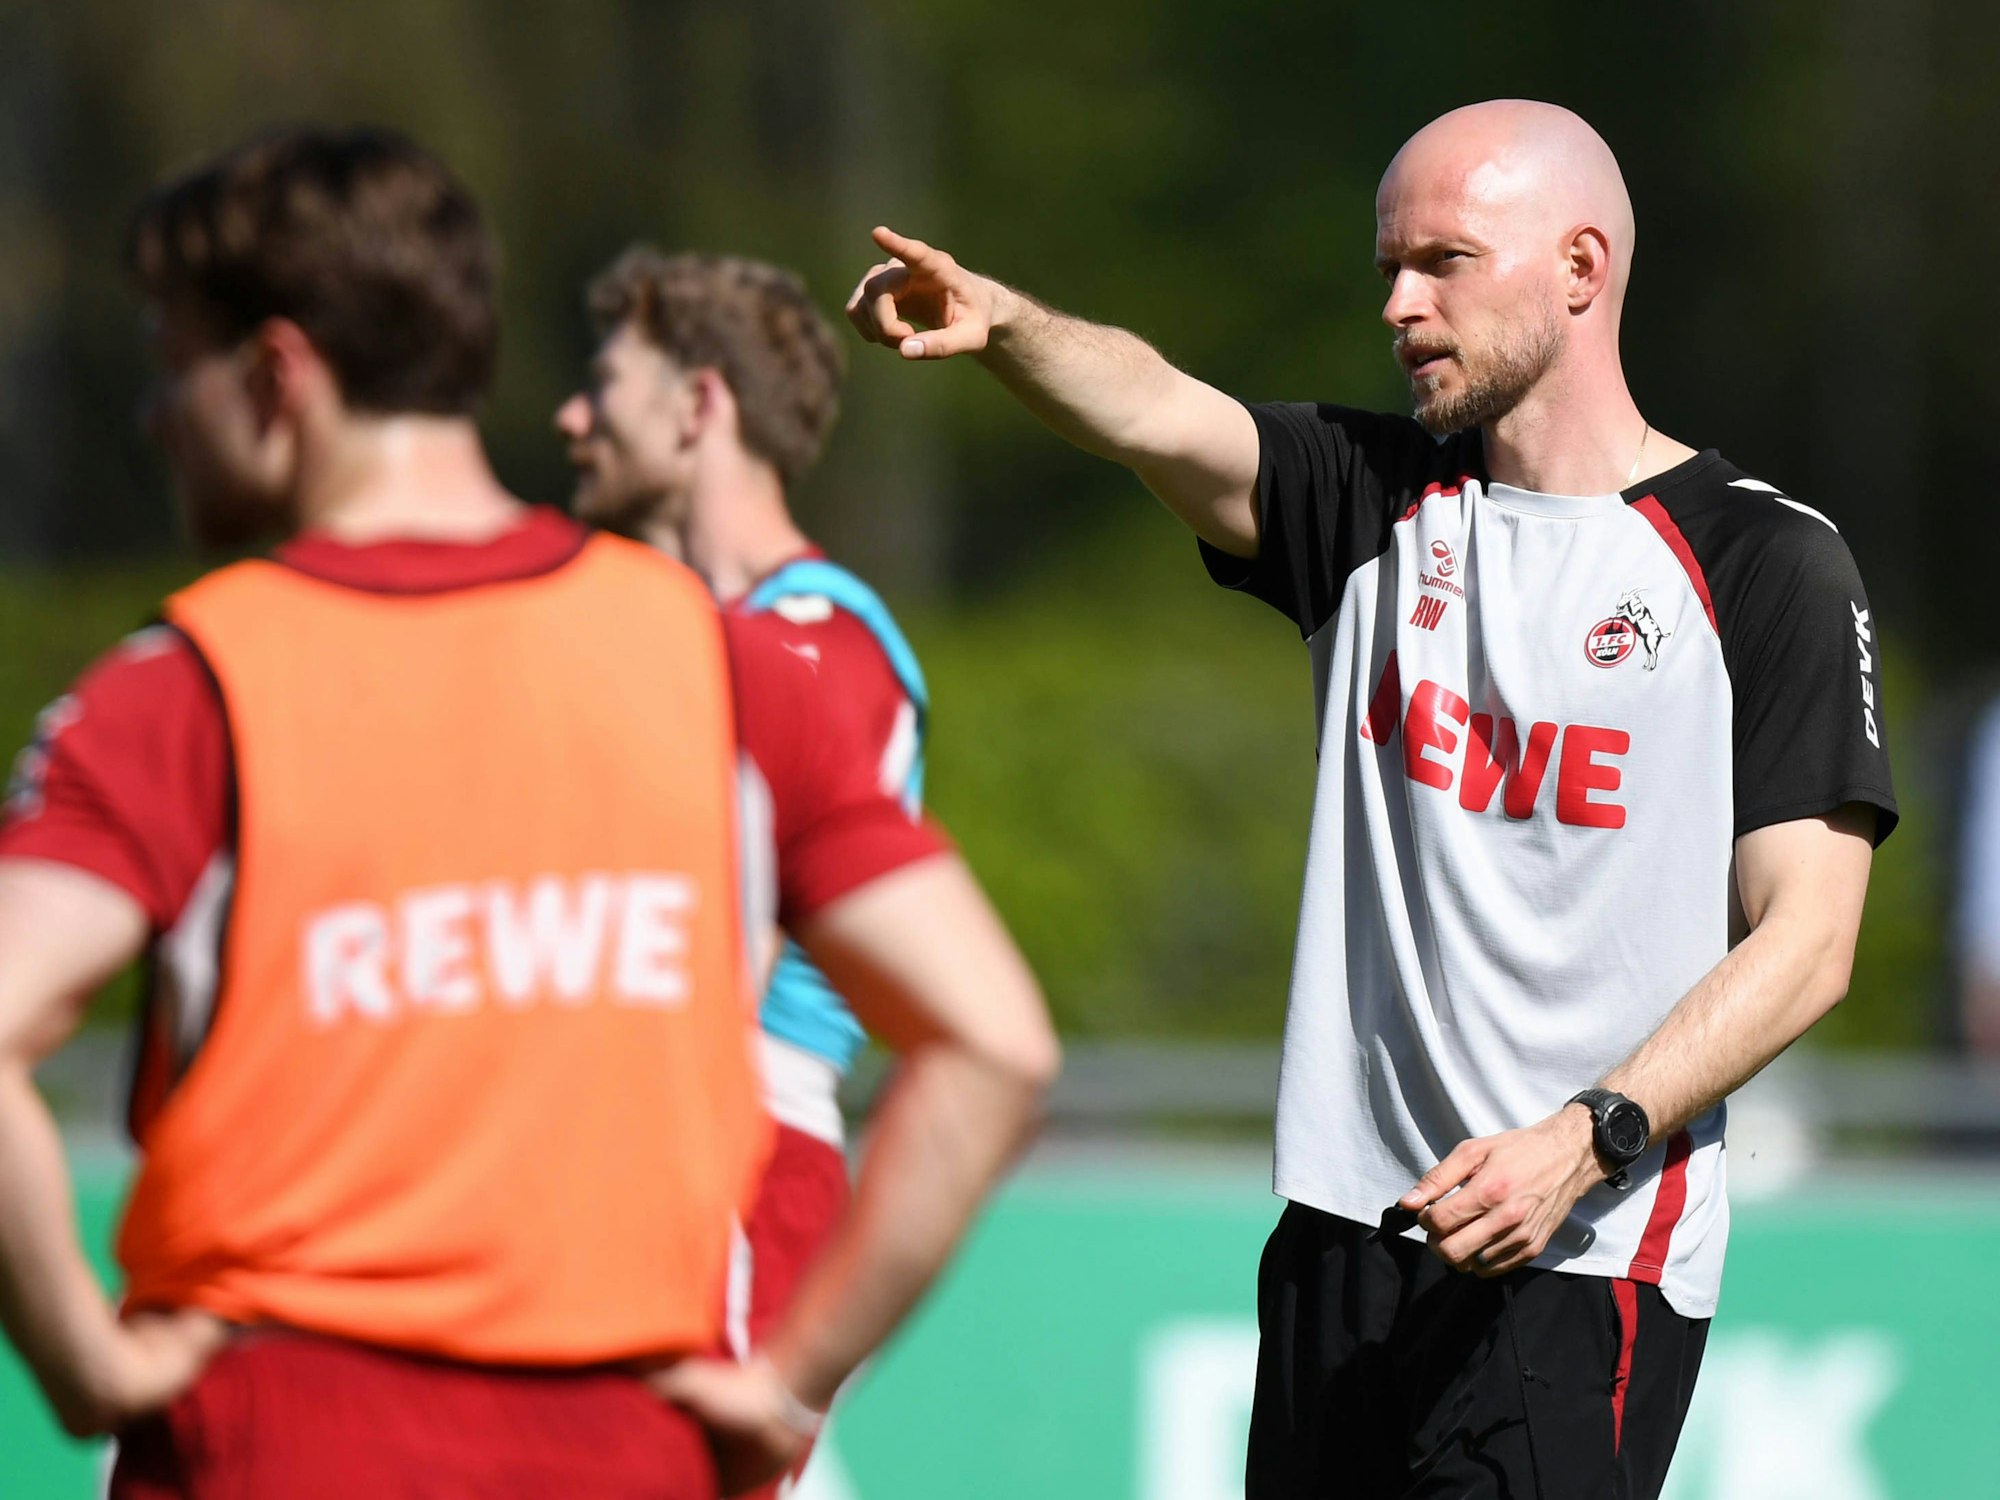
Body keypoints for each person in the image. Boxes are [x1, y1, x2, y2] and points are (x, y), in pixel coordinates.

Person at [846, 98, 1895, 1497]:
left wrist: (1585, 1141)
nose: (1400, 305)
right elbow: (1154, 407)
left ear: (1579, 269)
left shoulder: (1765, 564)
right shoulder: (1367, 501)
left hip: (1581, 1250)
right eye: (1388, 267)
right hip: (1342, 1242)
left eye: (1444, 261)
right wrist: (1006, 327)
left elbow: (1808, 941)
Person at [0, 126, 1057, 1500]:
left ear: (274, 376)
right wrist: (785, 1385)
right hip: (623, 1449)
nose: (156, 414)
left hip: (275, 1439)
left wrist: (82, 1362)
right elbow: (995, 1043)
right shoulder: (717, 665)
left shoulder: (182, 689)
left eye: (171, 362)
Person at [555, 246, 929, 1495]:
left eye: (603, 383)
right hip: (700, 1160)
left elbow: (713, 963)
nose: (571, 416)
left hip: (735, 1162)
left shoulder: (811, 641)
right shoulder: (716, 635)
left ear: (699, 404)